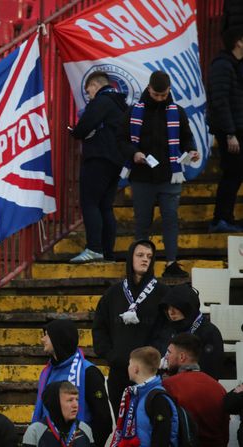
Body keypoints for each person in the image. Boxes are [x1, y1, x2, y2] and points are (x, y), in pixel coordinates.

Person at [116, 70, 200, 278]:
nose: (161, 99)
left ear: (169, 90)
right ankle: (141, 266)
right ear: (149, 89)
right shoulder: (134, 111)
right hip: (142, 176)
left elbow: (186, 138)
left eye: (164, 95)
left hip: (170, 175)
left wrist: (192, 151)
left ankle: (171, 262)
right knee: (143, 221)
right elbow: (121, 140)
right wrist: (134, 153)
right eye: (156, 95)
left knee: (170, 218)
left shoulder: (177, 112)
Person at [92, 239, 169, 411]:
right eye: (140, 255)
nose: (145, 260)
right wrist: (110, 355)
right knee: (121, 423)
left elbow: (167, 329)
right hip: (119, 371)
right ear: (130, 258)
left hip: (148, 373)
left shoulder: (163, 293)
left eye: (149, 256)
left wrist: (152, 356)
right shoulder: (113, 293)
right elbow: (99, 326)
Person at [69, 70, 128, 263]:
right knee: (105, 206)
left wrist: (74, 131)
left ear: (95, 85)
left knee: (90, 203)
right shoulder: (121, 105)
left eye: (88, 91)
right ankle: (107, 252)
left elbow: (83, 127)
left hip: (98, 158)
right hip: (116, 161)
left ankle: (94, 247)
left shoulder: (102, 101)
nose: (89, 96)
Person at [32, 319, 111, 447]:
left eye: (46, 335)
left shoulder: (89, 372)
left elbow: (103, 419)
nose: (42, 339)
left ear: (58, 339)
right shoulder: (47, 372)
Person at [162, 333, 229, 447]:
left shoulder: (169, 386)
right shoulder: (219, 388)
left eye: (169, 352)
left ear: (182, 357)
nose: (166, 357)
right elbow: (224, 431)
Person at [207, 26, 243, 233]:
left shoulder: (237, 65)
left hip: (238, 128)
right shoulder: (222, 65)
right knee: (232, 172)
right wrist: (230, 133)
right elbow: (220, 102)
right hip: (230, 131)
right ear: (238, 41)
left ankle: (226, 217)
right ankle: (220, 218)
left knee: (236, 173)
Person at [153, 284, 224, 378]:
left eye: (176, 307)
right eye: (168, 308)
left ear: (188, 307)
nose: (171, 312)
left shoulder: (209, 333)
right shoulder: (168, 329)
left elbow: (211, 375)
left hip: (195, 388)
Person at [111, 347, 177, 447]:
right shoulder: (136, 393)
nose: (128, 367)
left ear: (135, 369)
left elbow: (162, 437)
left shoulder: (158, 398)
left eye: (129, 364)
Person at [22, 381, 95, 447]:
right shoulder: (35, 431)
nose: (75, 405)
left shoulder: (85, 429)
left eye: (77, 399)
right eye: (70, 400)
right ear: (55, 403)